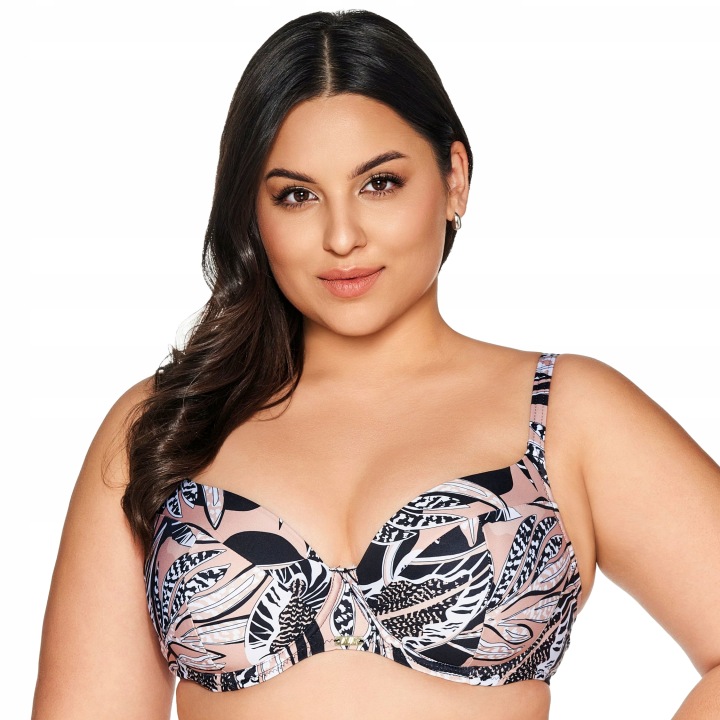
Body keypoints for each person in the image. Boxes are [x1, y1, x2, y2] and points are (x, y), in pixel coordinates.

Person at [32, 9, 720, 720]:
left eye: (380, 184)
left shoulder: (566, 412)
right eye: (297, 195)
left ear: (455, 179)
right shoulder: (166, 424)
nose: (341, 236)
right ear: (253, 213)